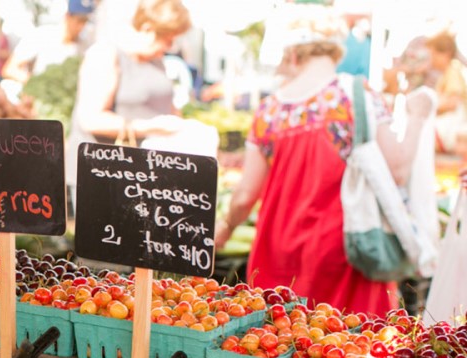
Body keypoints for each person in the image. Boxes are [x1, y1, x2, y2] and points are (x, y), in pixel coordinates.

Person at [215, 11, 434, 317]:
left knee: (279, 345)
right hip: (345, 250)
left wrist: (224, 229)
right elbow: (398, 171)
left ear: (292, 55)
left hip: (278, 254)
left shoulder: (269, 110)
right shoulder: (359, 97)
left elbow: (244, 196)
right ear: (334, 52)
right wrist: (418, 117)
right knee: (345, 347)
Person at [65, 0, 194, 187]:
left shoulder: (156, 61)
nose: (170, 46)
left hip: (141, 174)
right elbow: (91, 119)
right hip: (103, 174)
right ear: (148, 29)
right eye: (168, 39)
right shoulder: (106, 54)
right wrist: (151, 127)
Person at [1, 0, 94, 86]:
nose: (81, 26)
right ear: (68, 16)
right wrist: (38, 83)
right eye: (79, 20)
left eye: (85, 21)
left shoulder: (85, 46)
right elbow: (10, 69)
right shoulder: (43, 35)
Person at [426, 31, 467, 154]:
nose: (431, 59)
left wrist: (432, 107)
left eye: (433, 55)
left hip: (455, 129)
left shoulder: (453, 71)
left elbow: (453, 103)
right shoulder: (447, 73)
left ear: (446, 54)